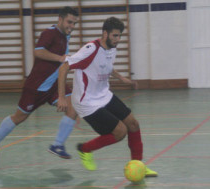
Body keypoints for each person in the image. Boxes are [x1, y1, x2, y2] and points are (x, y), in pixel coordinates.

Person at [56, 17, 158, 177]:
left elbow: (106, 66)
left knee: (133, 124)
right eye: (115, 36)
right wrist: (61, 97)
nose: (118, 39)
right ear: (105, 33)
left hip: (103, 95)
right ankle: (85, 149)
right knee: (120, 132)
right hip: (87, 102)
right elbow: (64, 68)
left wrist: (121, 78)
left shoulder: (111, 48)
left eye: (119, 36)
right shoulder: (91, 49)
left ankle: (139, 165)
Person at [0, 7, 79, 164]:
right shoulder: (49, 33)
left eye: (75, 23)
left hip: (54, 85)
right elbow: (38, 51)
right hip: (36, 87)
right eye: (70, 22)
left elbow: (63, 62)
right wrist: (60, 58)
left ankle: (57, 145)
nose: (72, 26)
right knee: (19, 117)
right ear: (60, 19)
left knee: (73, 108)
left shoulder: (66, 36)